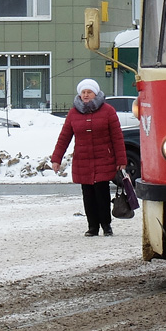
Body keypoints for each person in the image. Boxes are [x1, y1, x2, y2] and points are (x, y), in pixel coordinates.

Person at [51, 79, 127, 237]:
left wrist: (121, 161)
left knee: (102, 193)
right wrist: (56, 158)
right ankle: (92, 227)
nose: (86, 95)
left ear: (96, 93)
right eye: (83, 92)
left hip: (103, 159)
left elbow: (117, 138)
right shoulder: (73, 113)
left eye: (89, 92)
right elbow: (64, 137)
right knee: (88, 195)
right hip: (82, 160)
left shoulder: (108, 111)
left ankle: (106, 225)